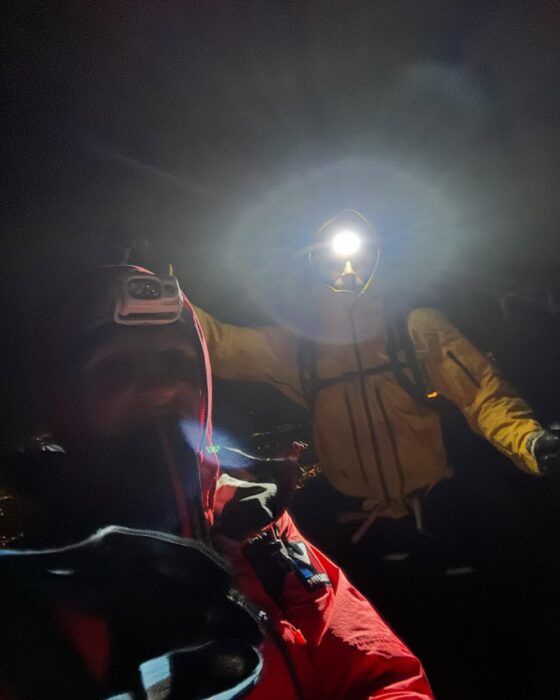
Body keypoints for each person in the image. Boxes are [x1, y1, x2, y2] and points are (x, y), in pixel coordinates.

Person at [0, 265, 433, 699]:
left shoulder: (257, 525)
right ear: (67, 399)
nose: (163, 385)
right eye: (118, 367)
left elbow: (381, 673)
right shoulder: (33, 574)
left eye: (178, 362)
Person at [192, 209, 560, 571]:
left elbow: (483, 396)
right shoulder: (301, 348)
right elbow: (223, 347)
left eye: (360, 257)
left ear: (378, 259)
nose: (348, 269)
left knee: (466, 617)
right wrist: (162, 298)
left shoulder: (417, 329)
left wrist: (530, 441)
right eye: (333, 260)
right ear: (314, 267)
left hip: (441, 516)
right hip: (359, 530)